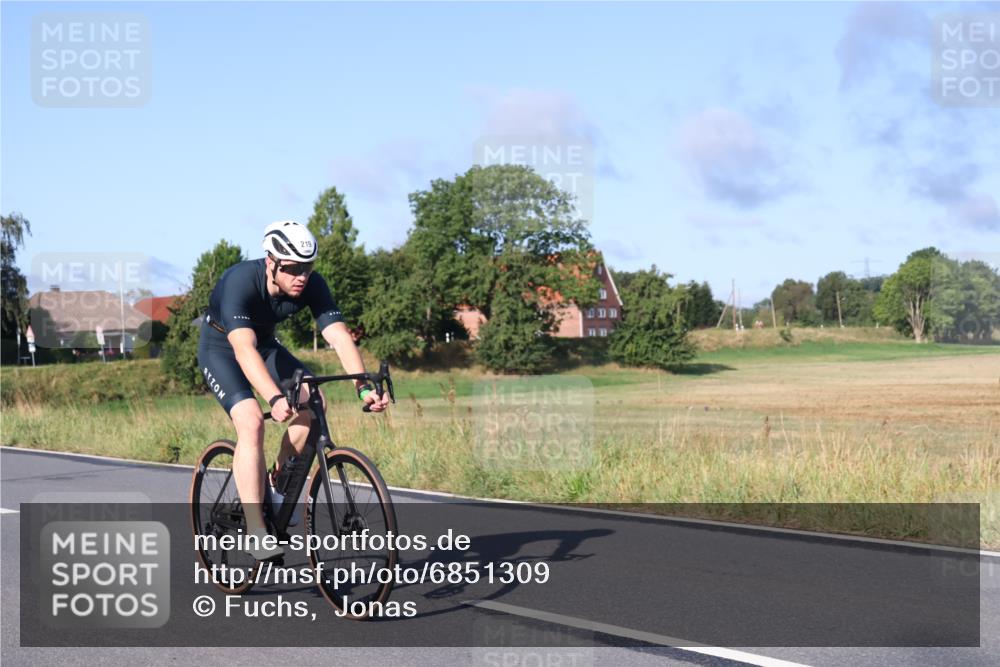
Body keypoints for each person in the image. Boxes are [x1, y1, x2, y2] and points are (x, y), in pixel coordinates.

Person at [198, 220, 389, 560]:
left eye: (307, 267)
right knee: (251, 421)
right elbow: (243, 349)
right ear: (270, 262)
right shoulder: (240, 281)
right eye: (292, 268)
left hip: (265, 346)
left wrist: (362, 386)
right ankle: (256, 531)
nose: (301, 276)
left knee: (314, 401)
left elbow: (338, 336)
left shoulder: (312, 284)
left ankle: (275, 484)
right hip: (221, 348)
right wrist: (273, 397)